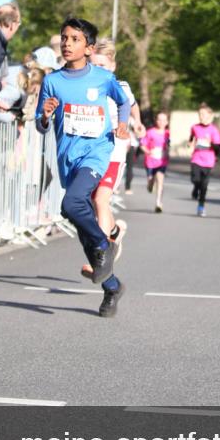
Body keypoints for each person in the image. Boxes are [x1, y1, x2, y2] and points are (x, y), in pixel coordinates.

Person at [35, 18, 130, 318]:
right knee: (76, 215)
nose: (66, 43)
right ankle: (111, 285)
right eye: (64, 38)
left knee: (73, 203)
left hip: (97, 152)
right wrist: (46, 116)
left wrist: (124, 124)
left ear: (88, 48)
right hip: (69, 158)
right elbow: (40, 124)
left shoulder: (102, 78)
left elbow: (123, 102)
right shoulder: (52, 81)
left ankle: (105, 244)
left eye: (75, 39)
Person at [83, 37, 143, 274]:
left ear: (113, 67)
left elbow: (133, 104)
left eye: (103, 67)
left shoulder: (122, 87)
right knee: (89, 203)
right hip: (91, 153)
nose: (98, 70)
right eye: (94, 65)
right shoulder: (87, 89)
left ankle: (101, 257)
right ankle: (115, 232)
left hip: (115, 153)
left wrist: (136, 122)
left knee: (101, 200)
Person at [188, 104, 220, 217]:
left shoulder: (214, 130)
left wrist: (210, 143)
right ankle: (195, 188)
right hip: (196, 159)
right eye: (199, 114)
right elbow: (192, 137)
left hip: (208, 160)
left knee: (204, 186)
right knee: (195, 179)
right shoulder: (195, 127)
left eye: (203, 114)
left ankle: (201, 207)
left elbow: (218, 147)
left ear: (210, 115)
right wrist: (190, 143)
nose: (201, 116)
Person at [141, 111, 170, 212]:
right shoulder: (150, 132)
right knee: (151, 181)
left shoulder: (167, 133)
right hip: (150, 162)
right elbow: (143, 145)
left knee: (160, 179)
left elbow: (168, 146)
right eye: (159, 119)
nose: (161, 122)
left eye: (164, 120)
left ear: (167, 122)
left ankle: (158, 203)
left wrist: (166, 152)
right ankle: (150, 184)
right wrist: (148, 152)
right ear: (156, 120)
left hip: (162, 161)